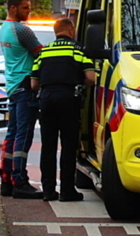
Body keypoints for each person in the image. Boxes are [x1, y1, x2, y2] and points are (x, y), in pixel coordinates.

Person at [30, 17, 96, 202]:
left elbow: (34, 84)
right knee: (68, 146)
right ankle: (67, 191)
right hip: (69, 99)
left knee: (48, 146)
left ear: (55, 32)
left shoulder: (43, 52)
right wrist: (81, 86)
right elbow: (91, 78)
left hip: (46, 99)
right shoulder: (78, 49)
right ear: (71, 30)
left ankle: (48, 191)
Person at [0, 0, 45, 198]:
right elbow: (41, 53)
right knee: (23, 136)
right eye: (25, 8)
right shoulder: (21, 30)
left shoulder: (3, 29)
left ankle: (6, 179)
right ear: (13, 8)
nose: (29, 12)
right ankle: (20, 181)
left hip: (13, 86)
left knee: (12, 134)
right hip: (25, 86)